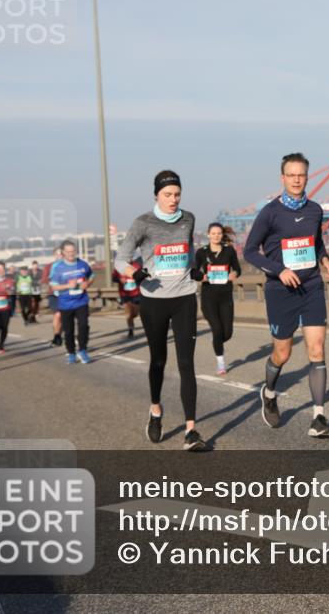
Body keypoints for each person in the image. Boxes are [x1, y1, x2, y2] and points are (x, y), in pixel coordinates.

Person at [244, 152, 329, 438]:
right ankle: (270, 393)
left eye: (301, 175)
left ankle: (319, 417)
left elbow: (316, 241)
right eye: (292, 175)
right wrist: (279, 269)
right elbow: (249, 251)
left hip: (311, 286)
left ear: (306, 176)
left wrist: (324, 259)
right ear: (282, 178)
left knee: (316, 349)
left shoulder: (314, 210)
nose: (297, 179)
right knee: (282, 353)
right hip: (280, 291)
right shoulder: (270, 213)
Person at [115, 170, 206, 452]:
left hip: (184, 297)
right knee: (158, 361)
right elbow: (120, 259)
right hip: (154, 299)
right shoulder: (143, 223)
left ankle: (191, 431)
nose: (173, 200)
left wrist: (193, 267)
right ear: (156, 195)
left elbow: (188, 249)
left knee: (186, 364)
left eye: (177, 194)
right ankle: (156, 409)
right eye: (167, 194)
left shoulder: (188, 219)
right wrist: (135, 273)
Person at [194, 223, 241, 375]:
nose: (216, 236)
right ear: (208, 235)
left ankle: (217, 340)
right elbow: (193, 272)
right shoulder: (202, 252)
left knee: (227, 333)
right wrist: (202, 277)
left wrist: (234, 274)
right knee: (217, 329)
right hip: (209, 298)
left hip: (226, 296)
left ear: (222, 235)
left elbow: (237, 269)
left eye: (219, 233)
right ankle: (221, 362)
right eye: (213, 233)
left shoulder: (229, 250)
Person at [49, 241, 93, 364]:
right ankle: (72, 353)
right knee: (69, 330)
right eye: (68, 252)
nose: (71, 254)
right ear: (63, 252)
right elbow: (53, 287)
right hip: (65, 304)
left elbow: (91, 276)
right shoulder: (58, 268)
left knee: (84, 326)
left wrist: (87, 283)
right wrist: (68, 285)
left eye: (73, 251)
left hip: (81, 301)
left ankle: (83, 350)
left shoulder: (83, 264)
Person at [113, 258, 143, 339]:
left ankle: (132, 319)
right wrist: (119, 279)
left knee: (135, 313)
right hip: (125, 294)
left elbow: (142, 277)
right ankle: (131, 330)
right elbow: (113, 278)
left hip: (136, 293)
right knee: (128, 312)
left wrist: (137, 280)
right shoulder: (119, 267)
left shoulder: (137, 266)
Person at [45, 248, 64, 346]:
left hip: (66, 294)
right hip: (54, 294)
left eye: (61, 254)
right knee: (58, 314)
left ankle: (59, 335)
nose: (59, 256)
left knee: (64, 317)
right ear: (54, 255)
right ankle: (57, 336)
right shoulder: (49, 266)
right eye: (57, 254)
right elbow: (45, 279)